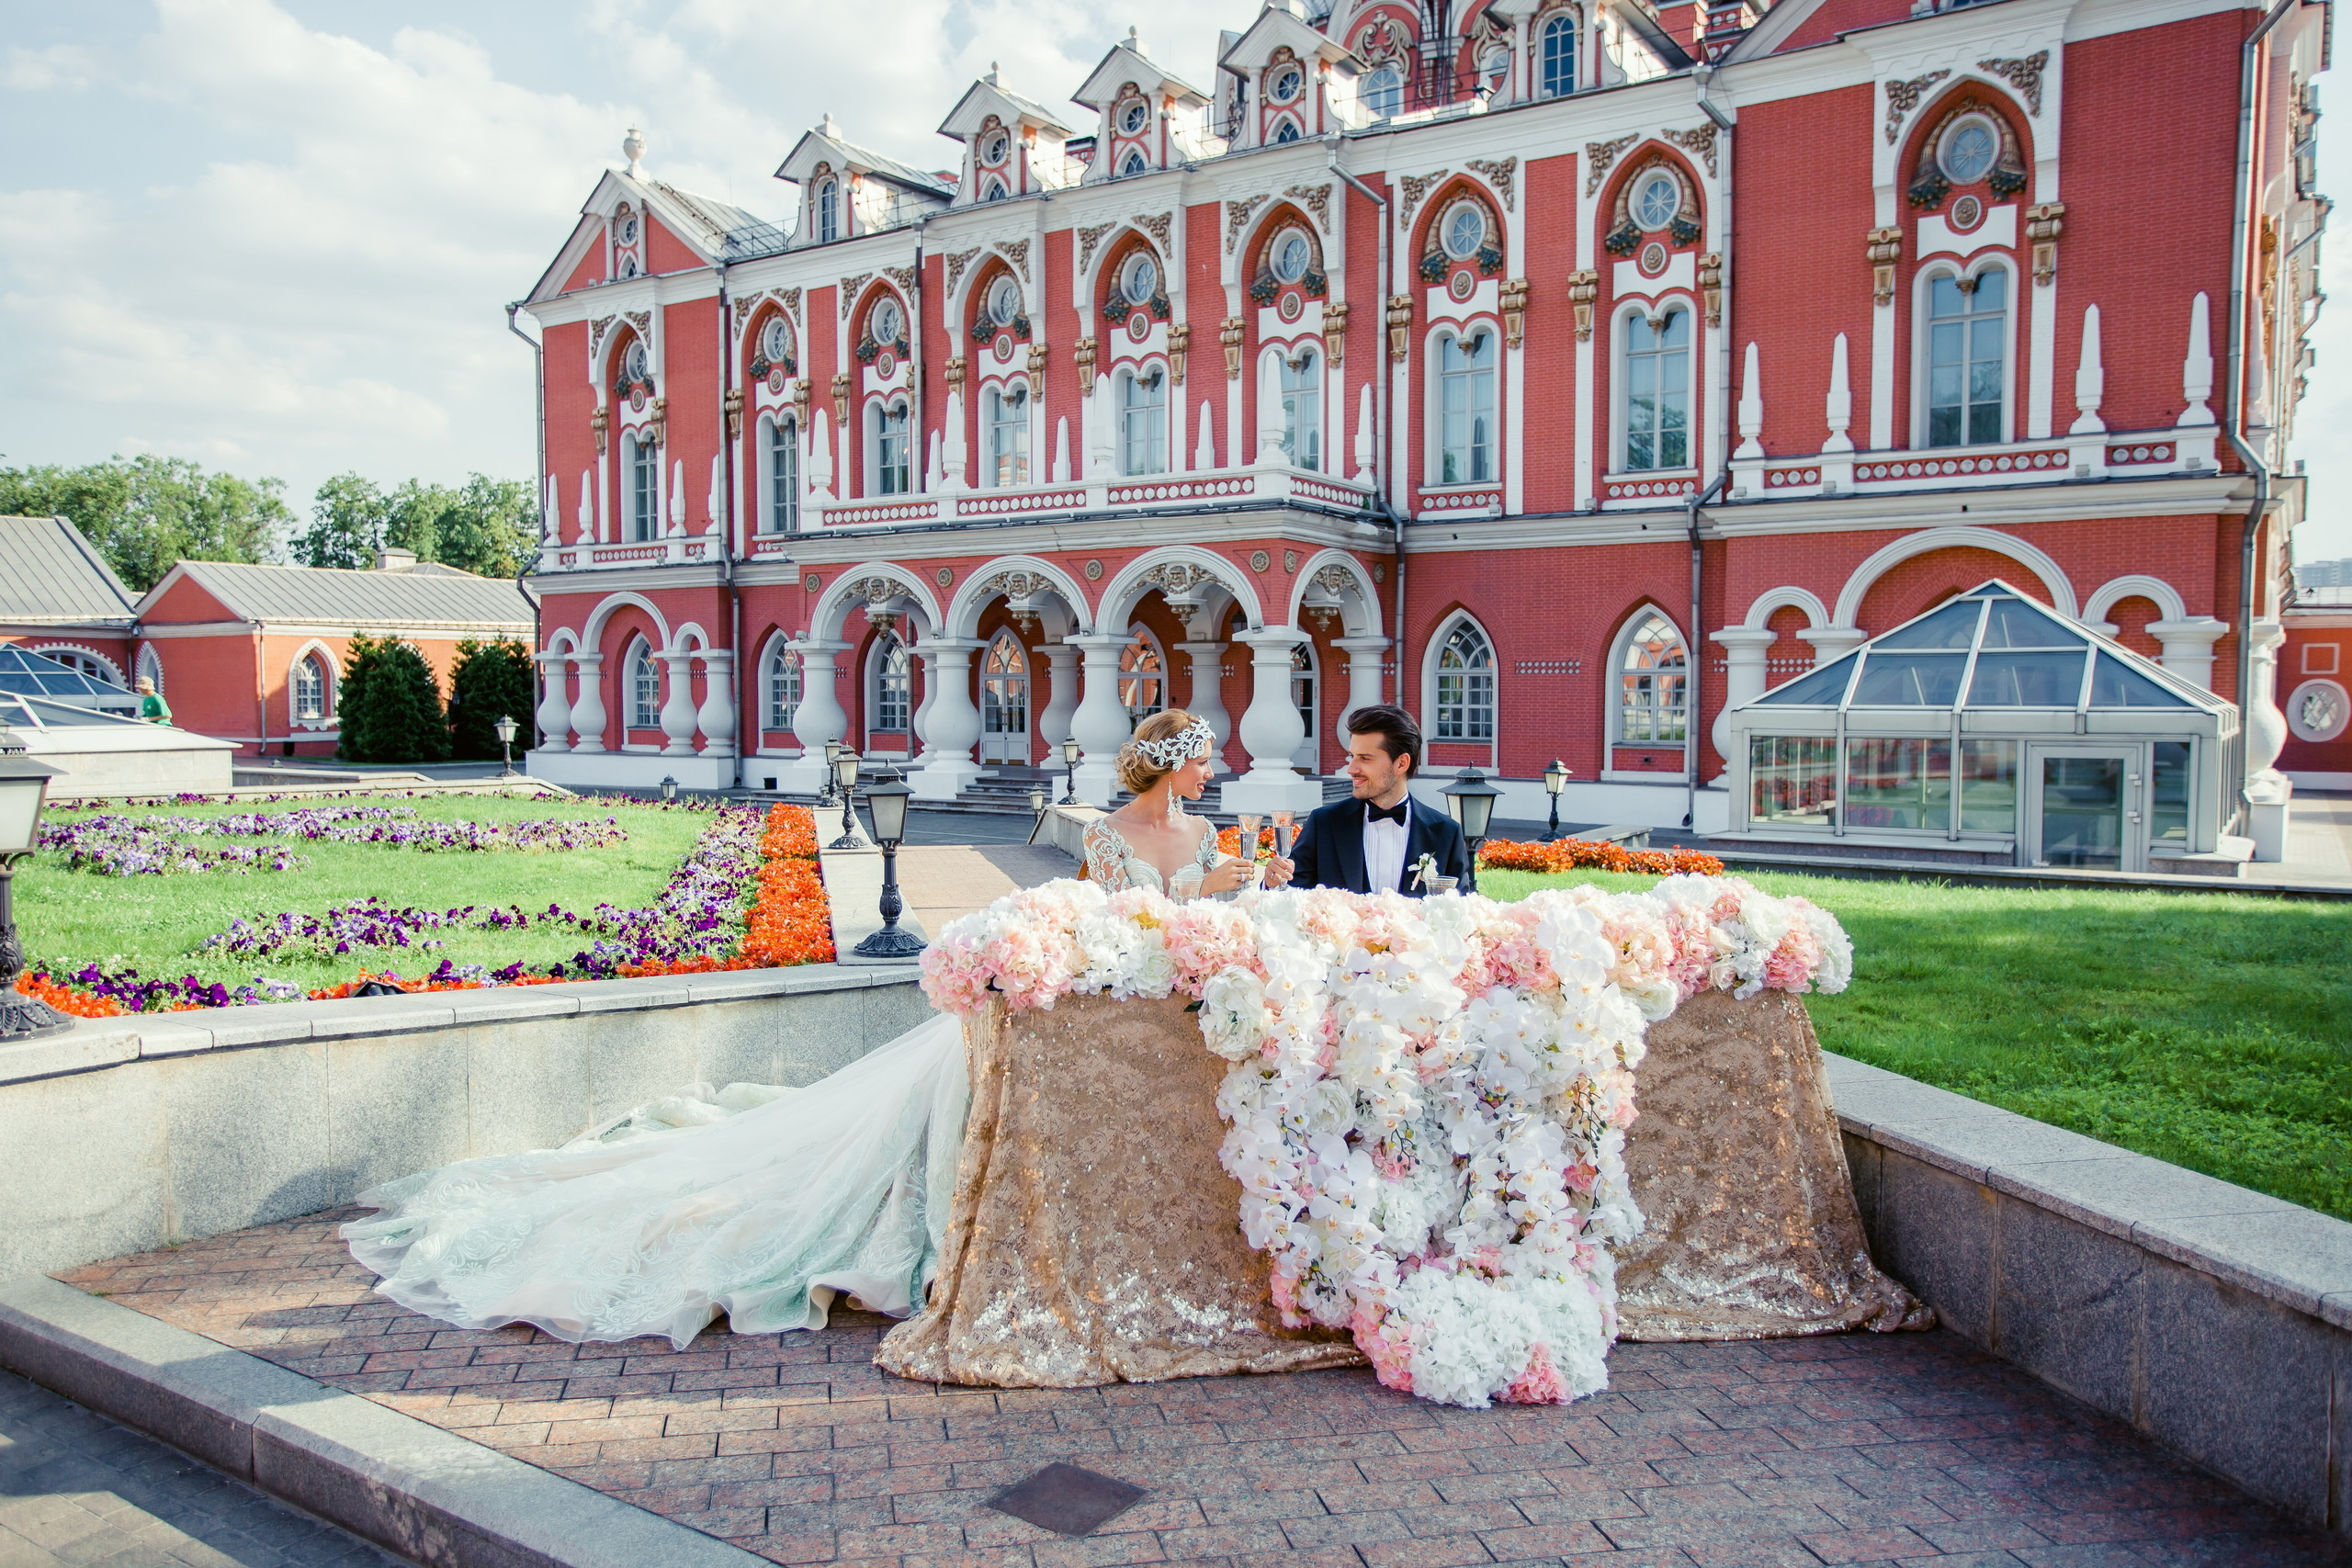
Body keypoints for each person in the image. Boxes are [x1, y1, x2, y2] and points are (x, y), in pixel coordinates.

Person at [340, 709, 1286, 1362]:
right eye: (1202, 757)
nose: (1212, 771)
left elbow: (1194, 909)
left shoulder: (1207, 835)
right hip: (1110, 1001)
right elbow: (1103, 917)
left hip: (1157, 1009)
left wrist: (1240, 888)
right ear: (1171, 759)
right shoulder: (1109, 833)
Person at [1277, 703, 1474, 897]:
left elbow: (1458, 913)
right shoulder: (1324, 823)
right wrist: (1273, 882)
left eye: (1365, 758)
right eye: (1352, 756)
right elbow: (1290, 895)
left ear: (1401, 763)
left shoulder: (1445, 833)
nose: (1351, 769)